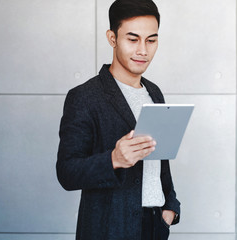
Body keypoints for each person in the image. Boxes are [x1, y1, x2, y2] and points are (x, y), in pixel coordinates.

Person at [56, 0, 180, 239]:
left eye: (151, 40)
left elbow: (160, 160)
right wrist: (112, 159)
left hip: (155, 226)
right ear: (112, 38)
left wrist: (171, 206)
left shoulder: (155, 93)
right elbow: (67, 172)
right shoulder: (84, 97)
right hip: (109, 228)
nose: (143, 50)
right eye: (133, 39)